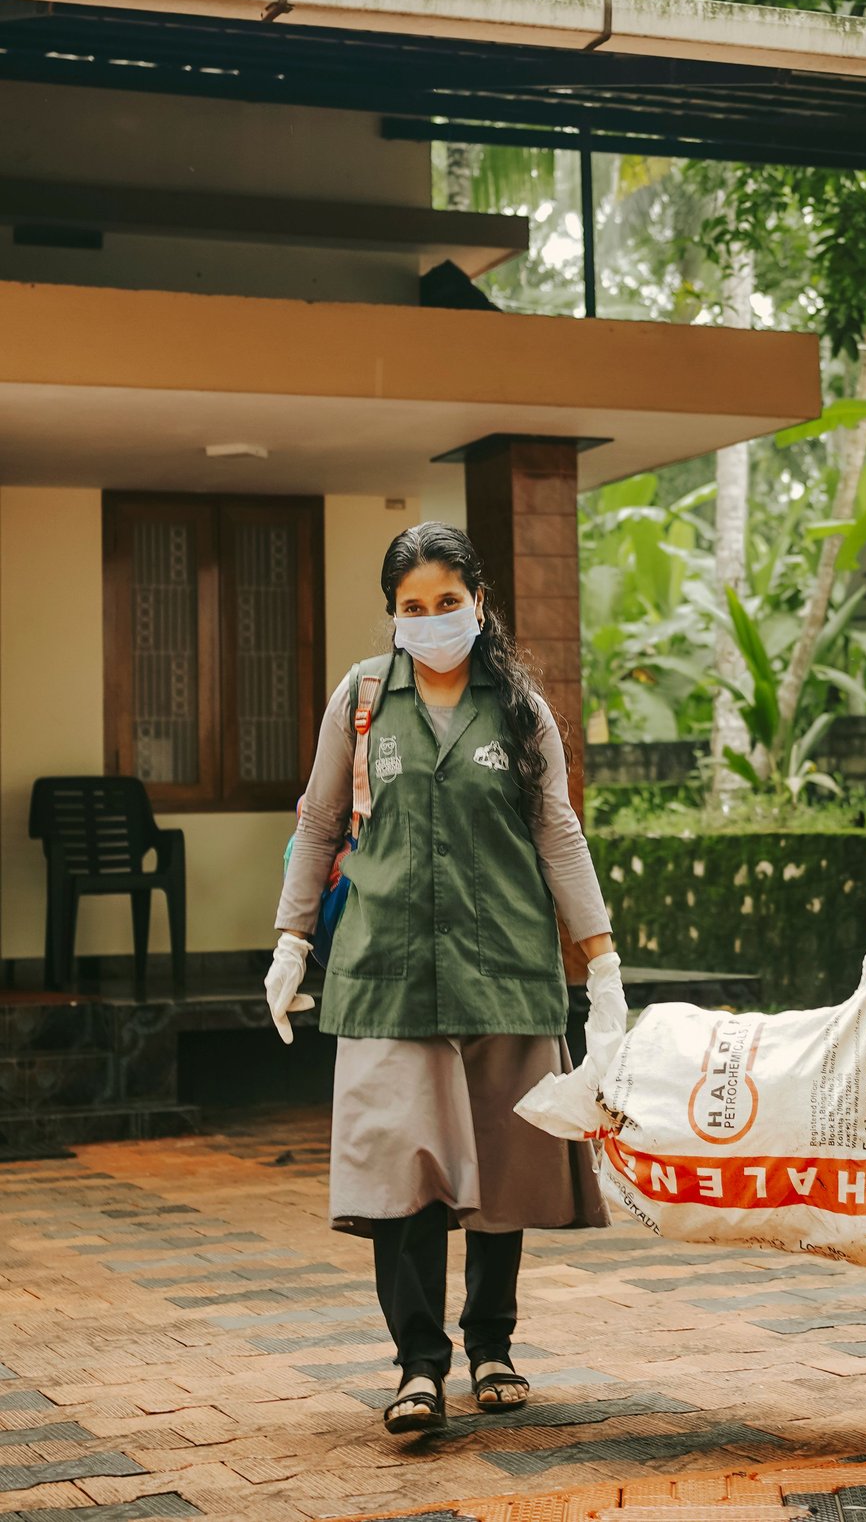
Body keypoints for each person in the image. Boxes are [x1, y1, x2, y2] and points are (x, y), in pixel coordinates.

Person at [264, 522, 623, 1435]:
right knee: (403, 1174)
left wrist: (604, 962)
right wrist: (291, 942)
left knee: (502, 1171)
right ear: (391, 615)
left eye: (447, 604)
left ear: (479, 603)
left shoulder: (516, 706)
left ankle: (492, 1345)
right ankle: (418, 1363)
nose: (430, 621)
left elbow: (558, 834)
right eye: (411, 609)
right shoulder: (359, 699)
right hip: (386, 973)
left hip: (505, 965)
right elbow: (315, 826)